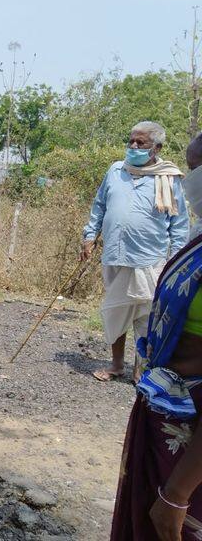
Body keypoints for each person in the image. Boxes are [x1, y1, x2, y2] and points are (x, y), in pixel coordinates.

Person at [111, 131, 202, 541]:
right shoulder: (198, 246)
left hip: (190, 452)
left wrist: (179, 492)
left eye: (197, 170)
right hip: (164, 417)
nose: (191, 181)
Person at [81, 121, 188, 383]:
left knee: (145, 316)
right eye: (131, 141)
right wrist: (89, 235)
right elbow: (100, 205)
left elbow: (180, 224)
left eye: (141, 143)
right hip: (115, 255)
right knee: (116, 310)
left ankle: (141, 370)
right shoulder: (116, 170)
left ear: (157, 147)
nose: (134, 147)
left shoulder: (169, 178)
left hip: (151, 260)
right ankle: (116, 365)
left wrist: (175, 261)